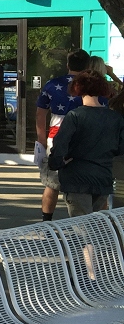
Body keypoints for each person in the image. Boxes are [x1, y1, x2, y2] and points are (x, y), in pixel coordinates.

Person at [49, 71, 124, 216]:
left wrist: (56, 162)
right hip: (103, 178)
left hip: (77, 178)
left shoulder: (75, 116)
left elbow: (60, 144)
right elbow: (121, 147)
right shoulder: (115, 118)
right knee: (93, 225)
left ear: (77, 88)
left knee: (81, 227)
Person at [36, 49, 90, 220]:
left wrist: (42, 141)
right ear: (87, 65)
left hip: (56, 137)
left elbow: (40, 113)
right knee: (82, 186)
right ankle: (87, 225)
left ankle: (46, 222)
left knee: (52, 184)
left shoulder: (52, 85)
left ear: (68, 65)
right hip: (84, 140)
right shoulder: (92, 86)